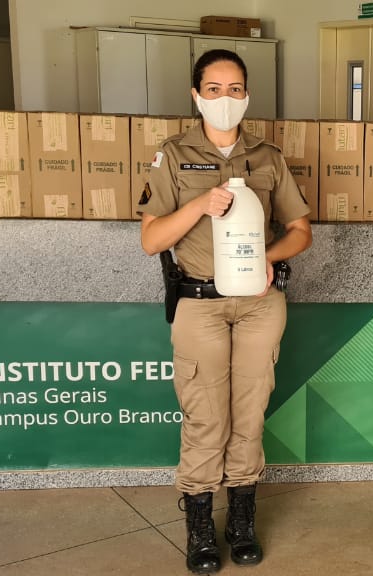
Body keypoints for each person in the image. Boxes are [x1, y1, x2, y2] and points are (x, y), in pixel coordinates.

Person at [138, 49, 312, 575]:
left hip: (260, 304)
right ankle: (198, 527)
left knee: (249, 415)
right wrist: (198, 205)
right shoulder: (172, 155)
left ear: (247, 95)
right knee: (206, 418)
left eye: (235, 89)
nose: (225, 99)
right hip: (199, 303)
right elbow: (150, 240)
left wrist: (267, 258)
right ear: (196, 96)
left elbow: (301, 232)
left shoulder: (268, 157)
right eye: (213, 89)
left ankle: (241, 522)